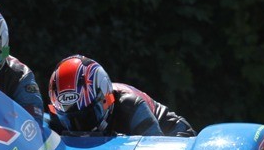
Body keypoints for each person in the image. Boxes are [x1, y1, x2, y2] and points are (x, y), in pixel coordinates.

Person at [48, 55, 196, 137]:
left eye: (87, 117)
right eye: (69, 120)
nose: (79, 128)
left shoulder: (131, 105)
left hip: (172, 136)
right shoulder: (54, 117)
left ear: (107, 100)